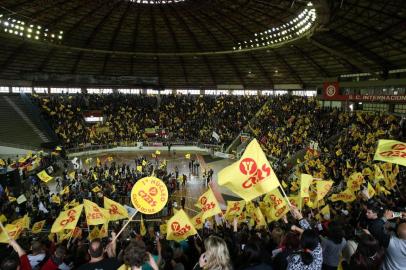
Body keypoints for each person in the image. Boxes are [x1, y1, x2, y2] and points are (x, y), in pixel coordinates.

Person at [287, 206, 323, 270]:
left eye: (301, 235)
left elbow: (308, 233)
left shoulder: (296, 260)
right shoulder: (318, 251)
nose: (301, 233)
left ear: (302, 243)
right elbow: (309, 232)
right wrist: (298, 215)